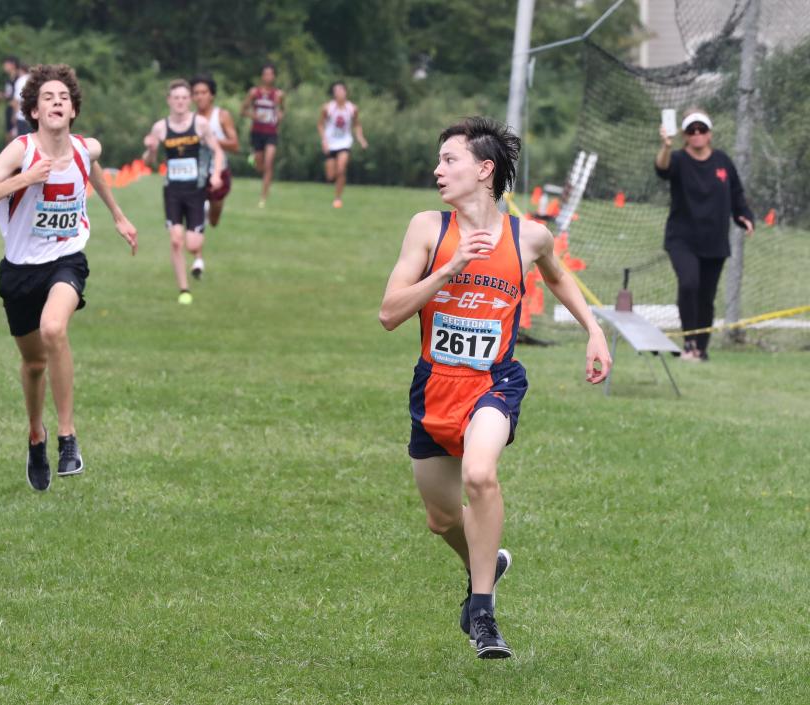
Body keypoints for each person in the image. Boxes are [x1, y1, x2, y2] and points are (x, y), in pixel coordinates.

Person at [379, 117, 611, 659]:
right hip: (434, 385)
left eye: (450, 160)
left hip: (494, 382)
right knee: (441, 519)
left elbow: (555, 274)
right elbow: (389, 313)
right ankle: (486, 564)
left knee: (481, 475)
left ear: (484, 170)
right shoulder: (426, 229)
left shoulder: (528, 236)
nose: (438, 170)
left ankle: (482, 614)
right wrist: (449, 269)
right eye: (439, 161)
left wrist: (594, 329)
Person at [0, 64, 138, 492]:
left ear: (73, 109)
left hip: (66, 259)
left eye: (63, 98)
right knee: (33, 363)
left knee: (55, 328)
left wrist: (118, 214)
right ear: (34, 112)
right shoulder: (20, 152)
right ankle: (36, 435)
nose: (57, 102)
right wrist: (24, 179)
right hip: (19, 271)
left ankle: (67, 438)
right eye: (47, 98)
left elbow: (92, 165)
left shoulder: (83, 146)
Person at [655, 108, 754, 361]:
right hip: (682, 239)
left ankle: (701, 348)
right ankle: (689, 343)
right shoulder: (677, 159)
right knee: (689, 284)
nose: (697, 134)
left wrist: (744, 216)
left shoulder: (722, 161)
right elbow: (662, 169)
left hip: (714, 240)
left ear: (709, 134)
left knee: (706, 296)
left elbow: (736, 194)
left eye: (701, 130)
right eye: (691, 131)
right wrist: (666, 146)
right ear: (685, 135)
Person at [144, 79, 224, 304]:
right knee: (176, 241)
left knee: (193, 245)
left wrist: (216, 174)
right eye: (176, 98)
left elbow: (217, 152)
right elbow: (149, 162)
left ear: (190, 100)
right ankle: (184, 289)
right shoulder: (160, 127)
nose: (180, 102)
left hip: (196, 191)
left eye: (184, 98)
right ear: (169, 101)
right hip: (173, 191)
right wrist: (151, 150)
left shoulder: (200, 125)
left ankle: (201, 223)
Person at [191, 74, 240, 262]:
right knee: (195, 216)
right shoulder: (189, 118)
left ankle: (211, 209)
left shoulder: (222, 116)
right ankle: (198, 259)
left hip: (220, 172)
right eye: (196, 93)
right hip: (196, 174)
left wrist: (211, 141)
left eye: (204, 92)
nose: (200, 97)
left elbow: (235, 145)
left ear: (211, 95)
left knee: (214, 220)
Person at [317, 81, 368, 208]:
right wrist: (324, 140)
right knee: (330, 176)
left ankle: (338, 198)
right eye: (336, 91)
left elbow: (357, 125)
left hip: (345, 142)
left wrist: (361, 139)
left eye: (341, 90)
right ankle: (335, 188)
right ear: (334, 94)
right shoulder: (327, 108)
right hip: (330, 143)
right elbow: (320, 125)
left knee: (341, 169)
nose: (339, 93)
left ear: (346, 92)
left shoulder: (352, 109)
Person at [241, 63, 284, 208]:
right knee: (260, 166)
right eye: (265, 74)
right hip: (257, 132)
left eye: (271, 74)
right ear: (262, 76)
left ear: (274, 76)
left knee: (269, 163)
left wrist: (279, 116)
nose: (268, 77)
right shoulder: (254, 92)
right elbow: (243, 111)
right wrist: (255, 116)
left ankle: (263, 198)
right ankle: (252, 159)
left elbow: (282, 111)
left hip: (271, 133)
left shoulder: (278, 95)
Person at [0, 56, 21, 143]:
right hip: (9, 108)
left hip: (16, 109)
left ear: (12, 65)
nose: (4, 67)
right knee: (9, 133)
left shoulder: (19, 79)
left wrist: (15, 112)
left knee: (16, 134)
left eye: (6, 65)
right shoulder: (9, 79)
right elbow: (9, 94)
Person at [10, 61, 32, 137]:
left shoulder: (20, 81)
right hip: (34, 116)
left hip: (22, 116)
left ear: (20, 70)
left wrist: (14, 116)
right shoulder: (34, 79)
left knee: (23, 141)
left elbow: (16, 101)